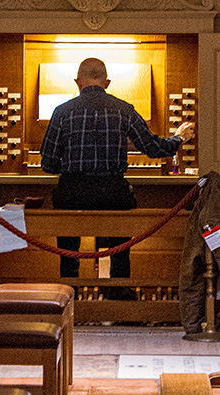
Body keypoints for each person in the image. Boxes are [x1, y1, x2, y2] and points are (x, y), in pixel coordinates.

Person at [40, 56, 194, 292]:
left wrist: (73, 164)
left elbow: (48, 163)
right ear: (107, 82)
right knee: (120, 247)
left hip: (72, 194)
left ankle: (70, 294)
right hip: (111, 193)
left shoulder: (62, 112)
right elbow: (153, 148)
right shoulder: (124, 110)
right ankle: (119, 295)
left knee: (68, 249)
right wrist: (179, 138)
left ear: (77, 82)